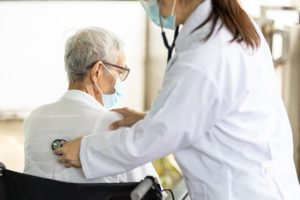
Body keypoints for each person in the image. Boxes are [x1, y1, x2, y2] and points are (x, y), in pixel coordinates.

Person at [55, 0, 300, 199]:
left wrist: (86, 152)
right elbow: (204, 111)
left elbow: (156, 137)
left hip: (240, 190)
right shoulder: (228, 27)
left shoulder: (205, 55)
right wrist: (149, 118)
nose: (150, 4)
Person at [23, 27, 159, 183]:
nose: (120, 81)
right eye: (120, 72)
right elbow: (152, 190)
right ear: (97, 72)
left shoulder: (34, 120)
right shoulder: (118, 126)